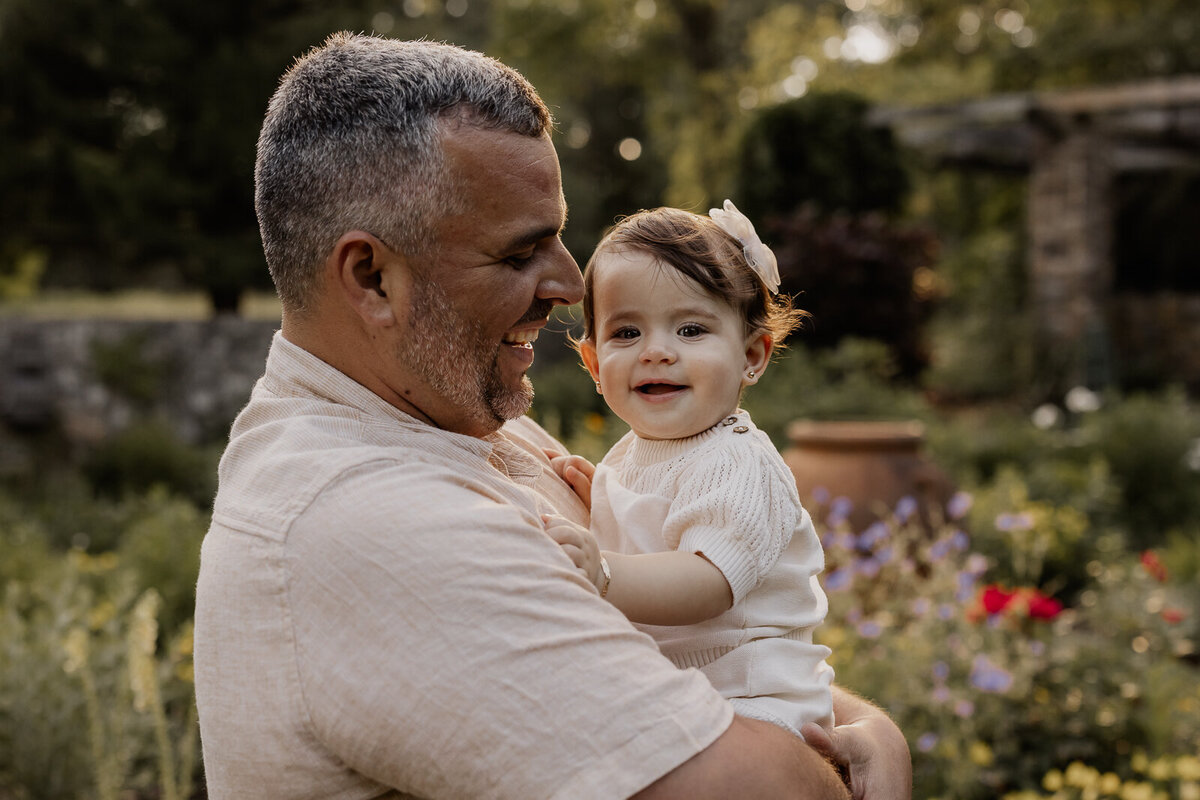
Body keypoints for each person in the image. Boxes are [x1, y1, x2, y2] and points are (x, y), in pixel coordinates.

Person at [192, 31, 911, 800]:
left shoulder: (455, 417)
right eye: (518, 254)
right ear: (373, 277)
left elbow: (713, 645)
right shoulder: (373, 524)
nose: (572, 286)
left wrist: (873, 731)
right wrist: (869, 757)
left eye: (561, 237)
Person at [544, 202, 835, 741]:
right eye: (627, 333)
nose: (656, 352)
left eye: (691, 329)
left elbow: (706, 582)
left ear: (752, 355)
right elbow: (655, 528)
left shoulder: (739, 462)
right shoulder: (631, 454)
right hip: (685, 695)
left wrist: (602, 571)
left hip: (758, 703)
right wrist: (600, 499)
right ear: (593, 365)